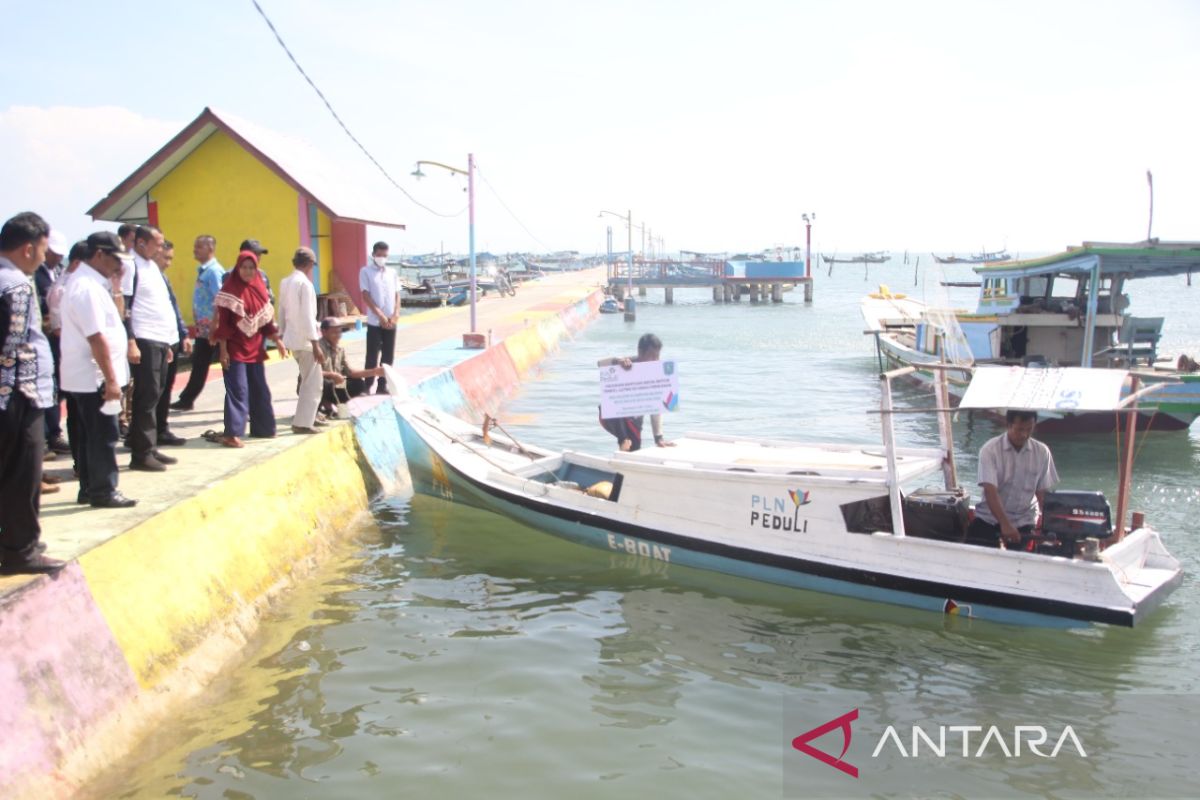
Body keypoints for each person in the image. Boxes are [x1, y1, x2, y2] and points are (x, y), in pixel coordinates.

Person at [0, 211, 64, 573]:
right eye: (42, 250)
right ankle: (21, 551)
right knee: (22, 474)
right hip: (19, 394)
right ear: (28, 249)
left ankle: (13, 543)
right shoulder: (17, 285)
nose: (43, 257)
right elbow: (10, 342)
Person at [60, 232, 137, 510]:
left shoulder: (94, 283)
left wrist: (116, 285)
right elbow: (96, 338)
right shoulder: (86, 288)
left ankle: (91, 487)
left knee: (91, 434)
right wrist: (112, 381)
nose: (119, 266)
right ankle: (103, 490)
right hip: (95, 377)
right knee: (103, 434)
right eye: (115, 259)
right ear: (99, 255)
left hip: (92, 376)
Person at [212, 250, 287, 448]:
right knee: (239, 390)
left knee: (260, 389)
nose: (247, 271)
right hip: (235, 349)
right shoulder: (229, 291)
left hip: (255, 348)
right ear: (237, 268)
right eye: (244, 268)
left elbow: (267, 321)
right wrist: (223, 351)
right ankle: (232, 434)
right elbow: (224, 325)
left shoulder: (259, 288)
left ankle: (264, 428)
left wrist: (277, 340)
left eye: (251, 268)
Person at [124, 225, 179, 471]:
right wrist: (130, 339)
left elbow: (162, 305)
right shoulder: (130, 265)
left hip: (160, 339)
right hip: (143, 337)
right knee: (146, 396)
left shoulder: (152, 268)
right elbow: (125, 306)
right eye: (157, 243)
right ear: (142, 243)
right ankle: (141, 453)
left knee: (156, 394)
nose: (161, 248)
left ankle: (151, 446)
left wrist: (168, 340)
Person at [966, 410, 1059, 548]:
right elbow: (990, 491)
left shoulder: (1042, 452)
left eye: (1029, 429)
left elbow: (1042, 493)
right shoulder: (990, 450)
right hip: (989, 518)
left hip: (1023, 520)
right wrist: (1005, 525)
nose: (1024, 434)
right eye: (1020, 429)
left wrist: (1049, 527)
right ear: (1008, 425)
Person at [170, 234, 223, 410]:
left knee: (216, 363)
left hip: (212, 328)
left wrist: (217, 326)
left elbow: (220, 300)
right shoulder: (204, 271)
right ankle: (187, 399)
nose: (195, 250)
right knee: (200, 363)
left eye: (198, 246)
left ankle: (188, 398)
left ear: (210, 248)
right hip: (204, 328)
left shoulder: (214, 272)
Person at [596, 333, 673, 451]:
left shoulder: (656, 373)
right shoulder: (627, 363)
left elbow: (656, 407)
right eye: (651, 356)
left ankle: (623, 454)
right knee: (617, 409)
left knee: (634, 451)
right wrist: (618, 361)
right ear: (640, 352)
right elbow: (600, 364)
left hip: (635, 423)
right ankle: (623, 441)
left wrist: (658, 438)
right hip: (610, 417)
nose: (654, 360)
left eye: (657, 357)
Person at [49, 241, 88, 477]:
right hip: (75, 359)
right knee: (80, 416)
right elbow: (59, 329)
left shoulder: (72, 284)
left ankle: (84, 465)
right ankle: (82, 465)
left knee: (83, 417)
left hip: (79, 359)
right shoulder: (64, 289)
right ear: (77, 263)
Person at [278, 247, 324, 434]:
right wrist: (315, 344)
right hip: (306, 340)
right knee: (313, 383)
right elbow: (307, 316)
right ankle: (303, 423)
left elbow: (281, 311)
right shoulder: (305, 284)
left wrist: (282, 335)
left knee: (307, 380)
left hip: (292, 337)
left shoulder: (285, 282)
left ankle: (308, 417)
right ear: (309, 264)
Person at [35, 230, 71, 456]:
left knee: (57, 387)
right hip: (44, 336)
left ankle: (54, 432)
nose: (58, 258)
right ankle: (49, 434)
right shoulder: (33, 272)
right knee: (46, 388)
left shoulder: (59, 270)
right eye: (54, 254)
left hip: (58, 338)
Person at [152, 240, 191, 446]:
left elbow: (172, 307)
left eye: (170, 259)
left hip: (171, 338)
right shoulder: (144, 278)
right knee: (153, 391)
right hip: (156, 340)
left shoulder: (162, 278)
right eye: (165, 258)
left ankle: (161, 428)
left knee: (165, 387)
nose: (168, 263)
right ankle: (149, 434)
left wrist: (183, 333)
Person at [316, 317, 382, 417]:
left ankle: (339, 405)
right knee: (324, 382)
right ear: (324, 332)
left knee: (358, 384)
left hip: (334, 385)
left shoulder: (340, 349)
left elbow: (350, 372)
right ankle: (326, 404)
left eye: (339, 332)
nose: (338, 336)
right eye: (334, 332)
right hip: (319, 384)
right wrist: (333, 375)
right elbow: (312, 372)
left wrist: (374, 372)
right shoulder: (318, 348)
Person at [359, 240, 399, 393]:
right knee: (372, 355)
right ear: (373, 255)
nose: (382, 258)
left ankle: (383, 385)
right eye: (379, 255)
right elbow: (366, 296)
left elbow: (397, 295)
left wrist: (395, 314)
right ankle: (367, 385)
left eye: (385, 255)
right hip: (375, 322)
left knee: (388, 356)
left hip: (391, 322)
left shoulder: (392, 273)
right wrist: (381, 316)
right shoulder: (366, 272)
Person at [238, 238, 274, 304]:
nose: (258, 257)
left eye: (259, 254)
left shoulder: (263, 275)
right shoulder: (231, 276)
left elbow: (271, 300)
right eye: (255, 253)